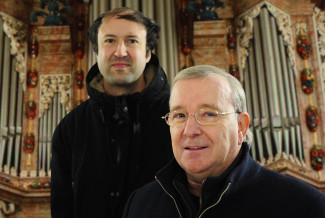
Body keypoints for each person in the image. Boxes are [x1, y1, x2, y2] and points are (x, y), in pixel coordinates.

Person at [123, 65, 325, 218]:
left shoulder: (305, 206)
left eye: (209, 114)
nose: (190, 131)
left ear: (241, 126)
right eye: (179, 115)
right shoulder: (140, 204)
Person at [51, 7, 173, 218]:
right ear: (97, 52)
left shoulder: (182, 118)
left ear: (147, 54)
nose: (120, 52)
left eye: (132, 41)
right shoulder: (69, 128)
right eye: (109, 41)